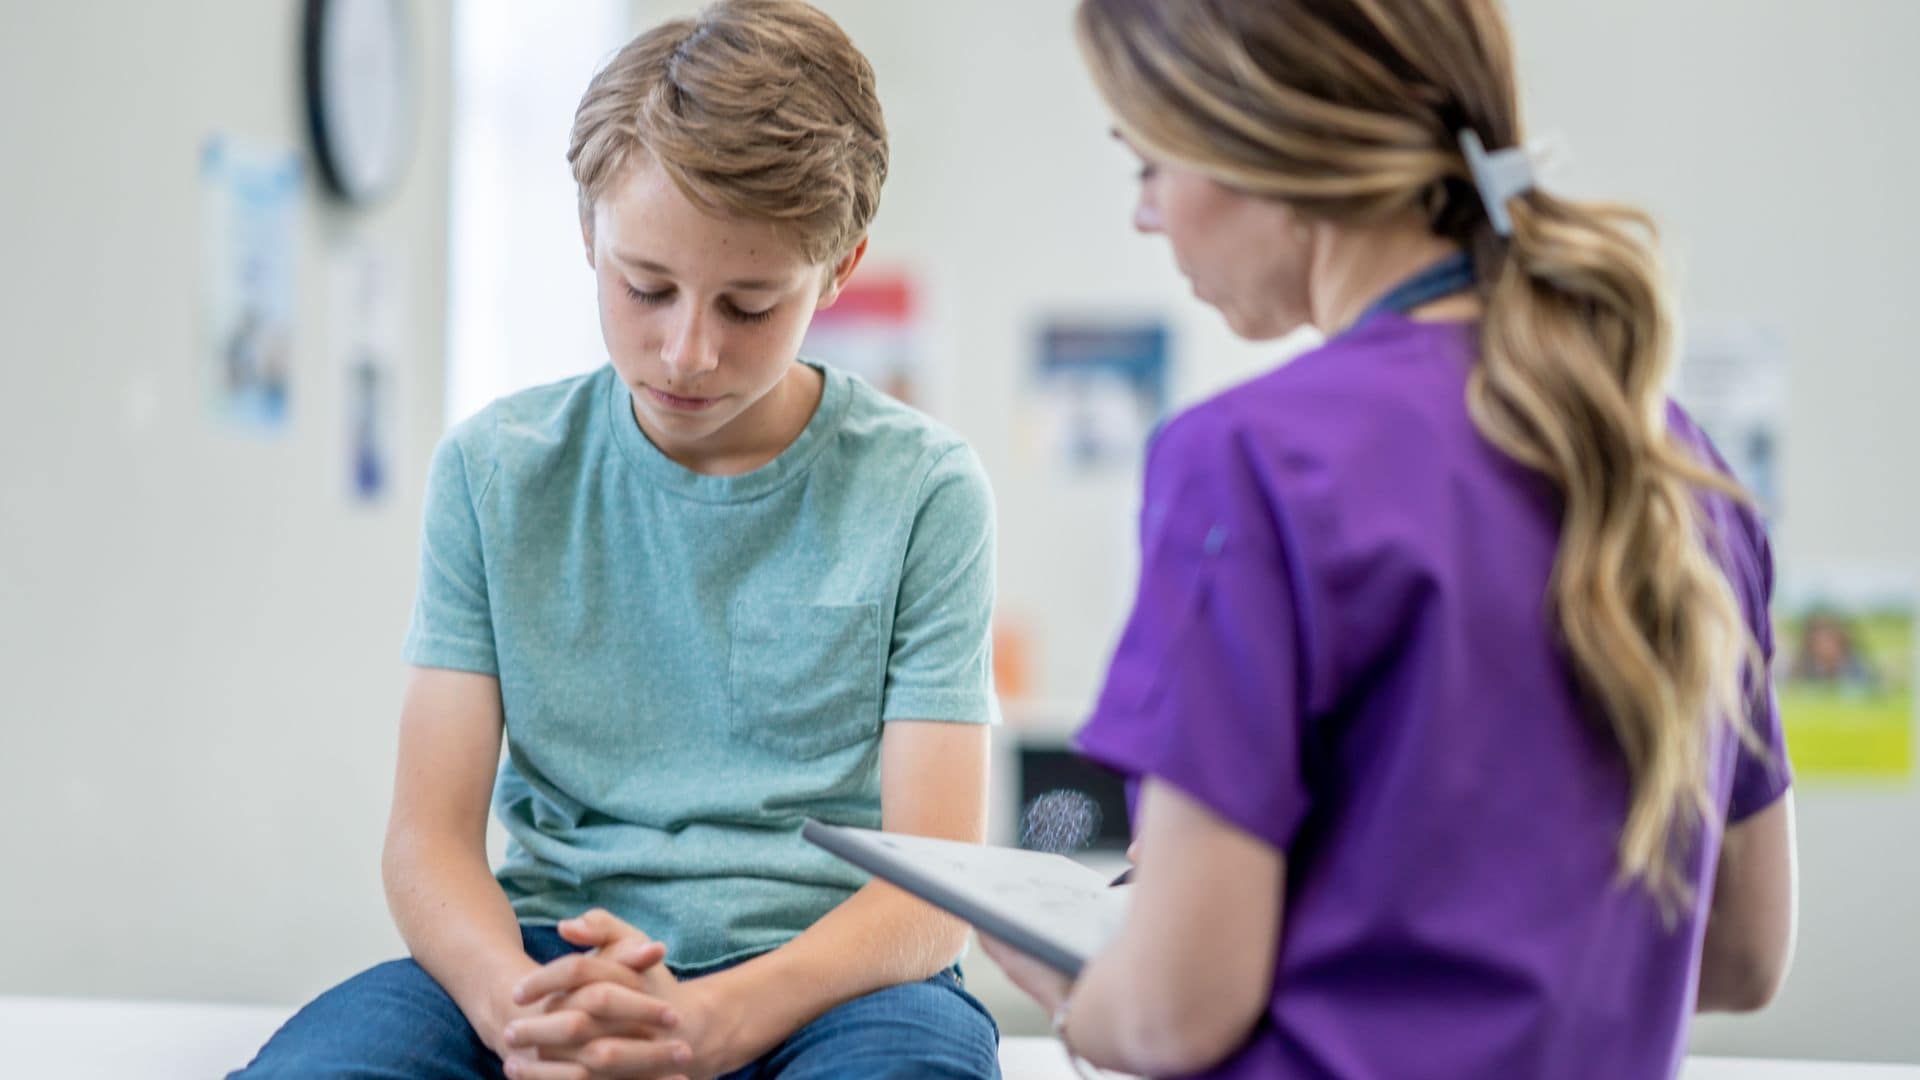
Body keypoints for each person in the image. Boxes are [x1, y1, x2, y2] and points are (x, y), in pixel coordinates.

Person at [980, 1, 1797, 1077]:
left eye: (1148, 167)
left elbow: (1177, 1015)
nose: (1146, 217)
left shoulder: (1247, 458)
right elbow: (1741, 954)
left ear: (1263, 141)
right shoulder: (1664, 456)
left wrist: (1076, 986)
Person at [232, 2, 1002, 1077]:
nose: (687, 350)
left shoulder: (923, 488)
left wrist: (712, 1022)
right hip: (548, 954)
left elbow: (934, 888)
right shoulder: (495, 472)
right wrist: (518, 1012)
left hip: (832, 982)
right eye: (645, 288)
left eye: (748, 306)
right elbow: (429, 840)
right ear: (588, 231)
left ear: (836, 270)